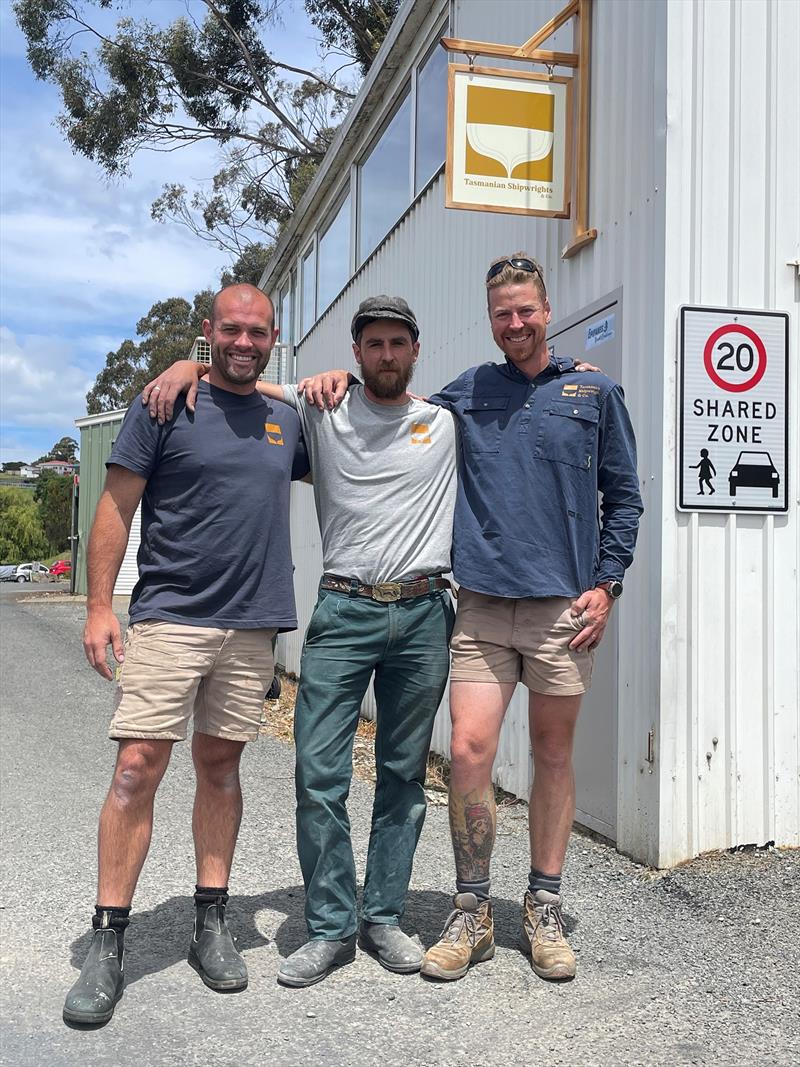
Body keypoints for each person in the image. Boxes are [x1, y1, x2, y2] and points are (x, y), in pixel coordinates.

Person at [291, 254, 642, 984]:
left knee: (551, 755)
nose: (513, 323)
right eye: (501, 313)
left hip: (561, 609)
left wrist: (607, 584)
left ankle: (542, 906)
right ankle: (473, 909)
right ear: (490, 320)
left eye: (525, 310)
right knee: (471, 750)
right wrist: (332, 380)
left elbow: (625, 496)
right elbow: (394, 405)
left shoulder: (596, 392)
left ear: (547, 309)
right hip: (478, 604)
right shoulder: (467, 393)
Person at [142, 296, 458, 988]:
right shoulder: (319, 407)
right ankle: (330, 926)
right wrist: (183, 366)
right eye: (371, 343)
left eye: (395, 343)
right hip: (344, 610)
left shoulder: (444, 420)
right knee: (319, 775)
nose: (384, 354)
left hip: (425, 610)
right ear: (356, 353)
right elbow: (239, 375)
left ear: (414, 349)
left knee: (404, 777)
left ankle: (383, 916)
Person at [63, 284, 308, 1026]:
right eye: (228, 331)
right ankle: (109, 939)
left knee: (221, 767)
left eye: (256, 331)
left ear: (273, 336)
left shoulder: (286, 419)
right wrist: (101, 605)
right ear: (209, 331)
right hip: (171, 617)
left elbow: (348, 409)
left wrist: (194, 365)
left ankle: (212, 920)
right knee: (137, 767)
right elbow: (115, 506)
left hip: (253, 624)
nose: (243, 341)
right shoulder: (163, 404)